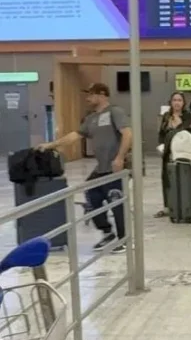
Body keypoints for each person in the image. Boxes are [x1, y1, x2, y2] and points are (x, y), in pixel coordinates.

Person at [39, 83, 132, 254]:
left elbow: (127, 133)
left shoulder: (115, 112)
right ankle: (107, 232)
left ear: (102, 94)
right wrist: (51, 145)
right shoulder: (91, 118)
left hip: (116, 167)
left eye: (90, 94)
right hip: (101, 168)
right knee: (92, 195)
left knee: (116, 201)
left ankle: (124, 239)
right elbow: (74, 136)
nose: (87, 98)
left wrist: (120, 157)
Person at [155, 91, 191, 218]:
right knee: (166, 178)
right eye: (174, 100)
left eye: (179, 100)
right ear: (171, 102)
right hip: (167, 150)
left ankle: (181, 204)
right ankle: (167, 206)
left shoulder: (187, 115)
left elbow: (183, 131)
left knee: (180, 177)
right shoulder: (167, 116)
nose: (177, 103)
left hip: (181, 151)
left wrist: (177, 122)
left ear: (183, 103)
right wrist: (161, 145)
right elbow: (161, 132)